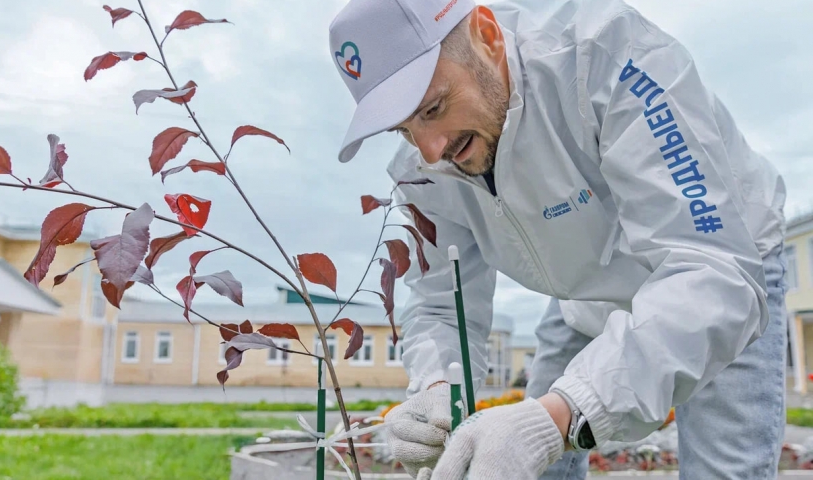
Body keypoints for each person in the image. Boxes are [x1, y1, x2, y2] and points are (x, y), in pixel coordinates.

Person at [328, 0, 787, 478]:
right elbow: (443, 303)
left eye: (433, 108)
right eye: (404, 130)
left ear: (487, 35)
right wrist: (437, 388)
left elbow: (711, 267)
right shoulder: (423, 173)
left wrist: (560, 416)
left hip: (726, 271)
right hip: (585, 291)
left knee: (722, 469)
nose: (431, 150)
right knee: (530, 460)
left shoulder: (608, 56)